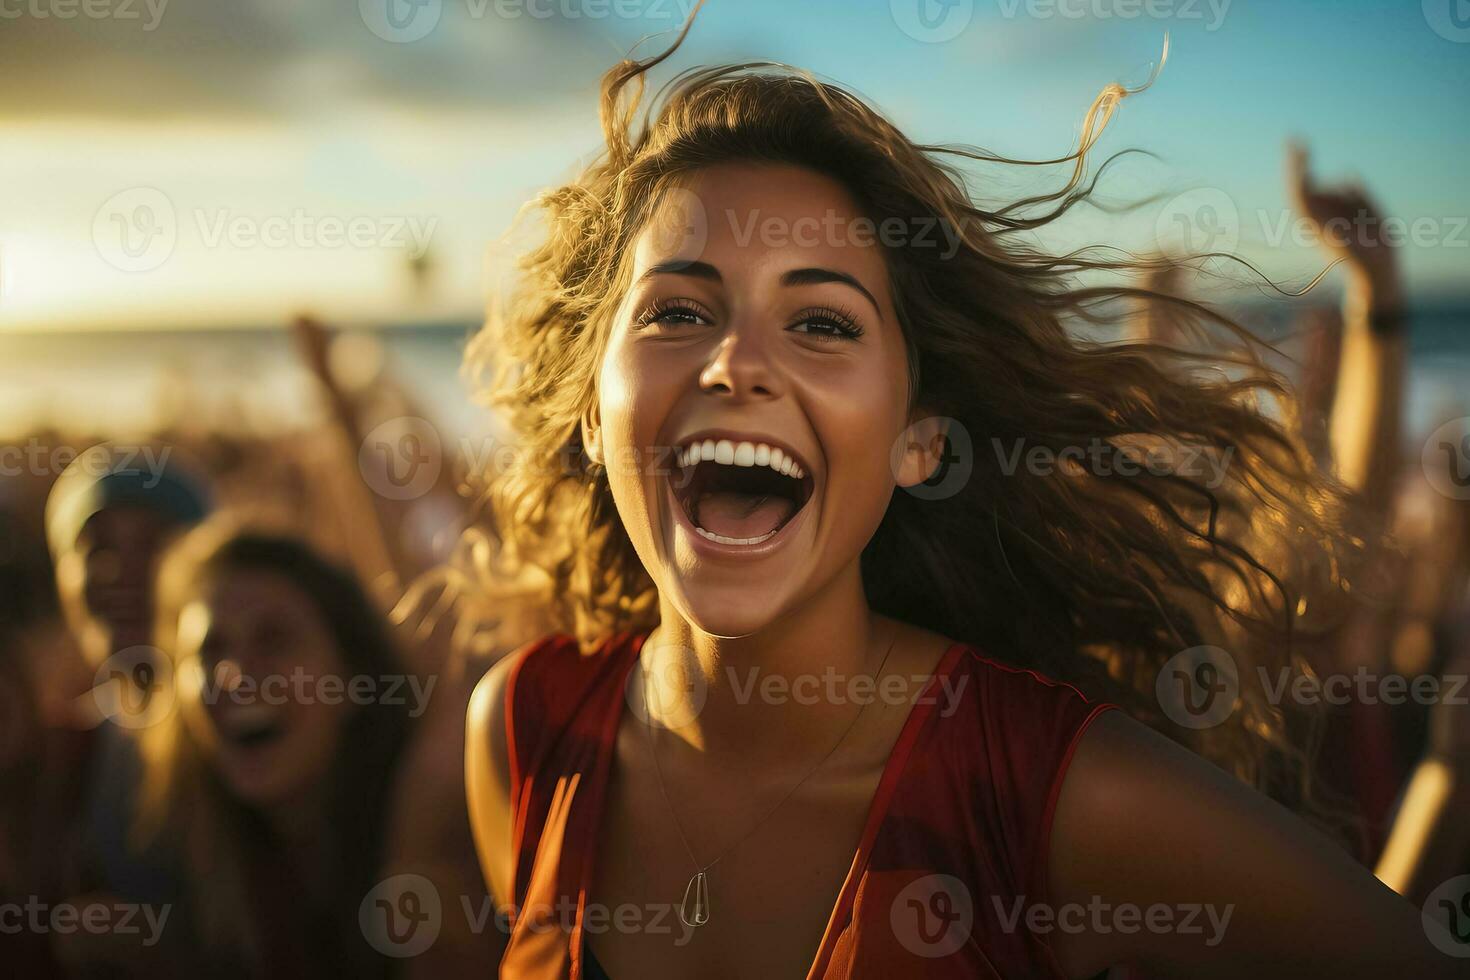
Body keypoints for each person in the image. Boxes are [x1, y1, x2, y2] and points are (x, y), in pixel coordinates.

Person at [460, 17, 1464, 980]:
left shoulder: (1055, 794)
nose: (737, 361)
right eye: (678, 309)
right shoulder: (524, 730)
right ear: (593, 413)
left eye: (821, 322)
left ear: (918, 439)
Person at [131, 522, 413, 978]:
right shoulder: (165, 871)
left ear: (355, 677)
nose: (237, 676)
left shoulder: (437, 842)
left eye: (274, 639)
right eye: (210, 649)